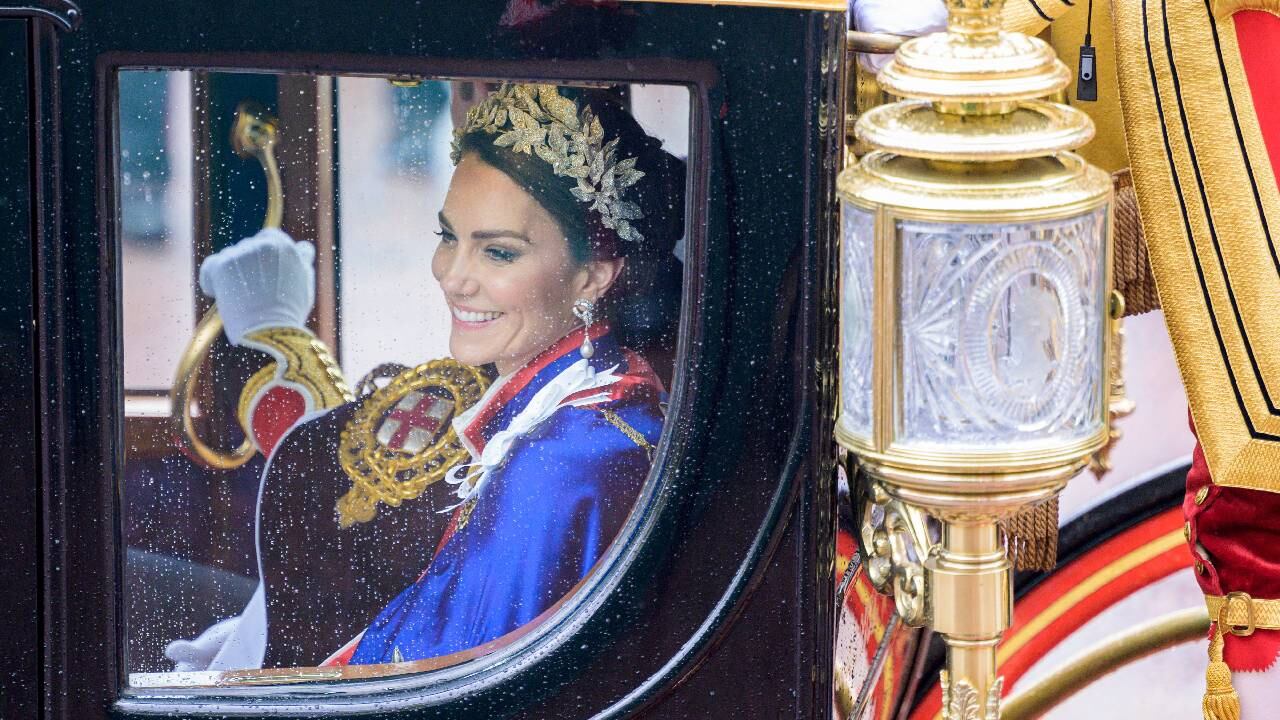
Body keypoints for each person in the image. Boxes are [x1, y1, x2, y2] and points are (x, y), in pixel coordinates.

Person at [164, 83, 686, 672]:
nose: (452, 276)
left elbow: (440, 683)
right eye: (448, 237)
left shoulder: (562, 461)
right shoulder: (563, 402)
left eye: (499, 253)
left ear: (594, 275)